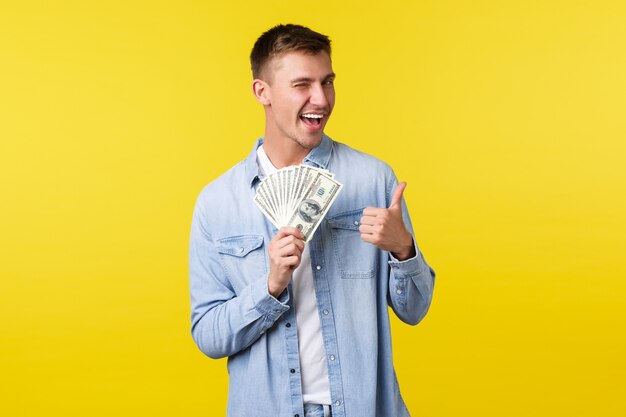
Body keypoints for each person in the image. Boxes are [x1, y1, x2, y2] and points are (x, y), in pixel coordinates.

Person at [189, 24, 436, 417]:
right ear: (262, 92)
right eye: (302, 84)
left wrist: (403, 250)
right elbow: (208, 336)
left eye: (327, 82)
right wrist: (269, 288)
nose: (320, 99)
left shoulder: (374, 180)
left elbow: (416, 310)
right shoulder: (217, 203)